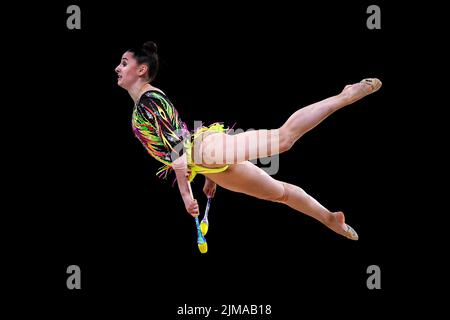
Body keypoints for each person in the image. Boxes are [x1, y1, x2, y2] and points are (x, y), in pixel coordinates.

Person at [115, 41, 382, 240]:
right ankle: (330, 218)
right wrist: (209, 176)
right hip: (207, 162)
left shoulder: (149, 102)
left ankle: (344, 95)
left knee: (283, 139)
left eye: (124, 63)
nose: (118, 67)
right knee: (282, 194)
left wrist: (186, 197)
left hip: (206, 150)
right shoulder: (143, 105)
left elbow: (177, 151)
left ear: (142, 69)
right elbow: (180, 149)